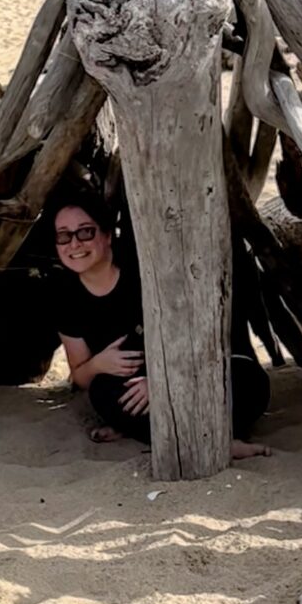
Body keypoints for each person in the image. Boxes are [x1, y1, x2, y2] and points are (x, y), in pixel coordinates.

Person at [51, 192, 271, 459]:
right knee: (102, 393)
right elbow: (80, 375)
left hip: (195, 367)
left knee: (250, 382)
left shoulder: (145, 271)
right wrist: (99, 364)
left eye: (85, 232)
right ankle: (208, 442)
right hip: (136, 385)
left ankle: (167, 435)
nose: (74, 243)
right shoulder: (65, 298)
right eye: (64, 236)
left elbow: (202, 333)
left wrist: (164, 382)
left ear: (107, 235)